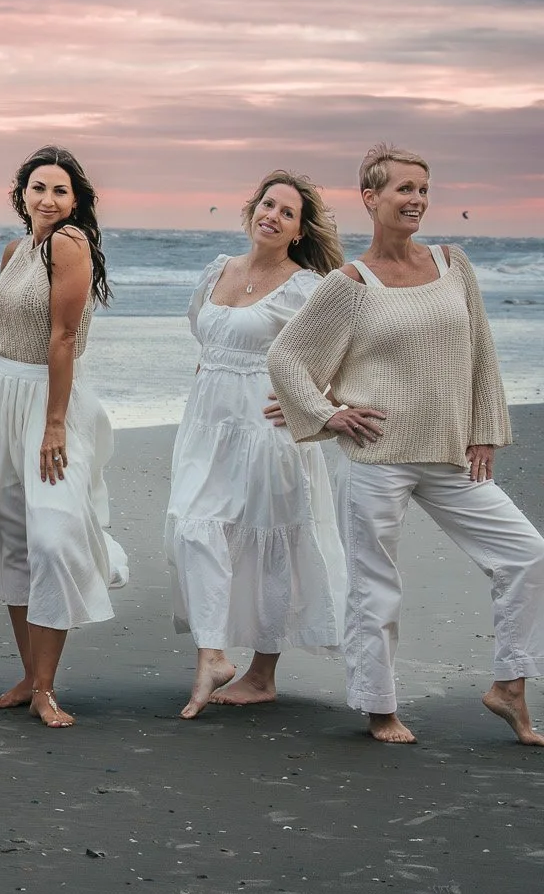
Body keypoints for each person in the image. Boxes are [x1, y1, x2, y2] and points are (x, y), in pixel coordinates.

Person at [269, 144, 543, 745]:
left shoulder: (453, 264)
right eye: (404, 189)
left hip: (449, 454)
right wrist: (329, 414)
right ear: (371, 198)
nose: (416, 199)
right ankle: (380, 708)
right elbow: (288, 356)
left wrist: (485, 430)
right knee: (375, 584)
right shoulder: (350, 284)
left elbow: (479, 352)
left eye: (423, 189)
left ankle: (509, 686)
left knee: (526, 553)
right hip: (377, 459)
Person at [166, 171, 347, 718]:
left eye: (287, 212)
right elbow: (205, 334)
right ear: (252, 210)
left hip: (268, 431)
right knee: (194, 528)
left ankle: (261, 674)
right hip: (206, 426)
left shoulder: (307, 287)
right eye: (268, 204)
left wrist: (311, 404)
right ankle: (214, 655)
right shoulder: (217, 270)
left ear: (298, 230)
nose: (272, 215)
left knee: (272, 544)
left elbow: (342, 354)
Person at [0, 145, 128, 729]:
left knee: (53, 536)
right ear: (22, 194)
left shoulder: (69, 245)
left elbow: (62, 338)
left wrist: (54, 423)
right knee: (12, 536)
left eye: (60, 190)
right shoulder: (16, 250)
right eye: (38, 188)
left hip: (47, 401)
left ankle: (47, 687)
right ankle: (30, 676)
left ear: (76, 200)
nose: (48, 200)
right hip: (0, 400)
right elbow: (4, 313)